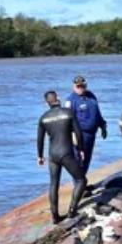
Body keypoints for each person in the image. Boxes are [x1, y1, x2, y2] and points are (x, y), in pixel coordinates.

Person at [37, 90, 88, 225]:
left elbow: (40, 140)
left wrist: (40, 156)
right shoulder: (68, 113)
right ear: (57, 98)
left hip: (52, 155)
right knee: (81, 180)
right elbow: (78, 133)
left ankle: (55, 216)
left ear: (46, 103)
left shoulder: (43, 118)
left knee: (54, 184)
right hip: (66, 153)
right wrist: (81, 149)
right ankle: (72, 210)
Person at [62, 75, 107, 175]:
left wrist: (103, 126)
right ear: (74, 87)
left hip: (91, 134)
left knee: (87, 159)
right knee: (79, 160)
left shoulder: (91, 96)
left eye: (82, 86)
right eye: (78, 86)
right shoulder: (71, 100)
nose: (80, 88)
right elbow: (67, 120)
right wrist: (71, 135)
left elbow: (97, 113)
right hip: (79, 135)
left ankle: (82, 182)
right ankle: (78, 184)